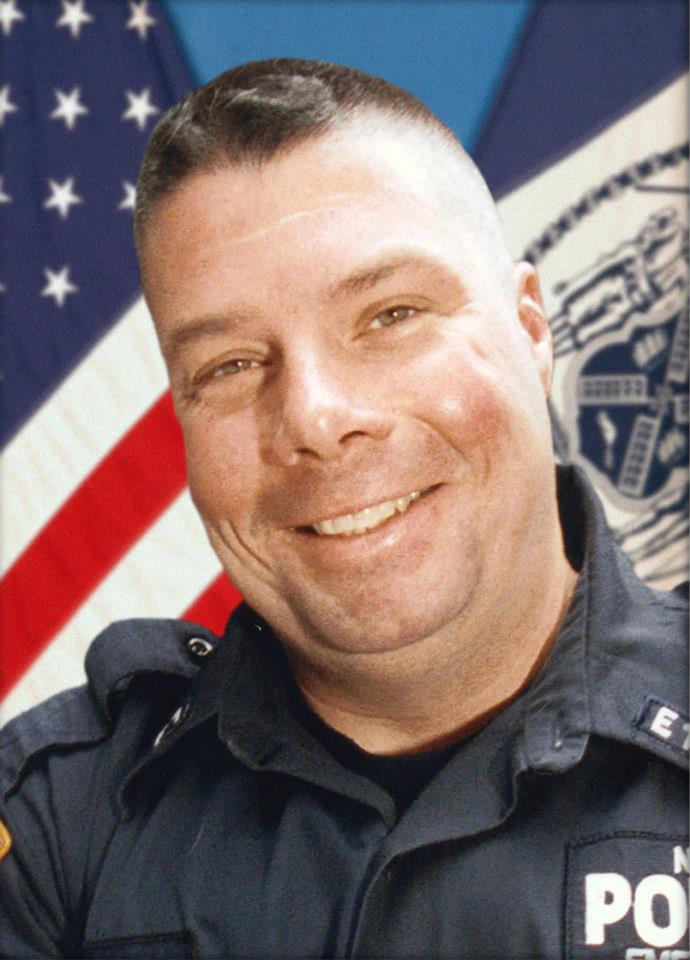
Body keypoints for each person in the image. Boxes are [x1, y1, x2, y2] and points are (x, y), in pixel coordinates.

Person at [0, 59, 687, 960]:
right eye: (231, 366)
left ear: (531, 329)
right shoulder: (56, 819)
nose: (316, 419)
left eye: (391, 314)